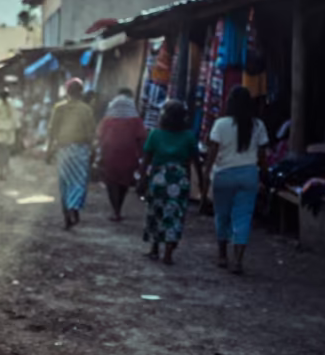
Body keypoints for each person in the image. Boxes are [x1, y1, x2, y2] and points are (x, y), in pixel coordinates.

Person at [204, 86, 270, 275]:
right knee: (243, 217)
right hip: (249, 175)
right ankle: (238, 261)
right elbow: (262, 155)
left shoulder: (220, 124)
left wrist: (206, 175)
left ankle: (222, 256)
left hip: (223, 175)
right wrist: (265, 175)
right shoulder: (258, 125)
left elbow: (212, 153)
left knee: (222, 216)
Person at [139, 100, 198, 264]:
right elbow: (196, 161)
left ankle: (154, 249)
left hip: (159, 179)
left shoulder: (155, 134)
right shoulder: (188, 137)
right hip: (179, 181)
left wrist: (141, 180)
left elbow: (146, 160)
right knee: (174, 216)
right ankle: (168, 254)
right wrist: (200, 183)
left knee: (155, 213)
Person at [47, 78, 96, 228]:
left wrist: (49, 150)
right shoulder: (86, 109)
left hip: (63, 149)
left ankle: (66, 215)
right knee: (79, 182)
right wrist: (92, 151)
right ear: (81, 92)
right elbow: (90, 133)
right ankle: (73, 207)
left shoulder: (59, 108)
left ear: (67, 92)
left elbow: (52, 131)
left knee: (64, 183)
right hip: (80, 150)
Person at [95, 88, 147, 221]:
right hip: (129, 155)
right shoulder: (136, 120)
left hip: (110, 154)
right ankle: (118, 208)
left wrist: (99, 153)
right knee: (124, 182)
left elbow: (100, 136)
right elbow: (141, 138)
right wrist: (141, 157)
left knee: (111, 182)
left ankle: (115, 210)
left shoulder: (108, 120)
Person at [0, 88, 22, 181]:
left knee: (2, 153)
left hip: (3, 133)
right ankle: (3, 169)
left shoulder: (6, 104)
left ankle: (2, 170)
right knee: (2, 153)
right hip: (2, 132)